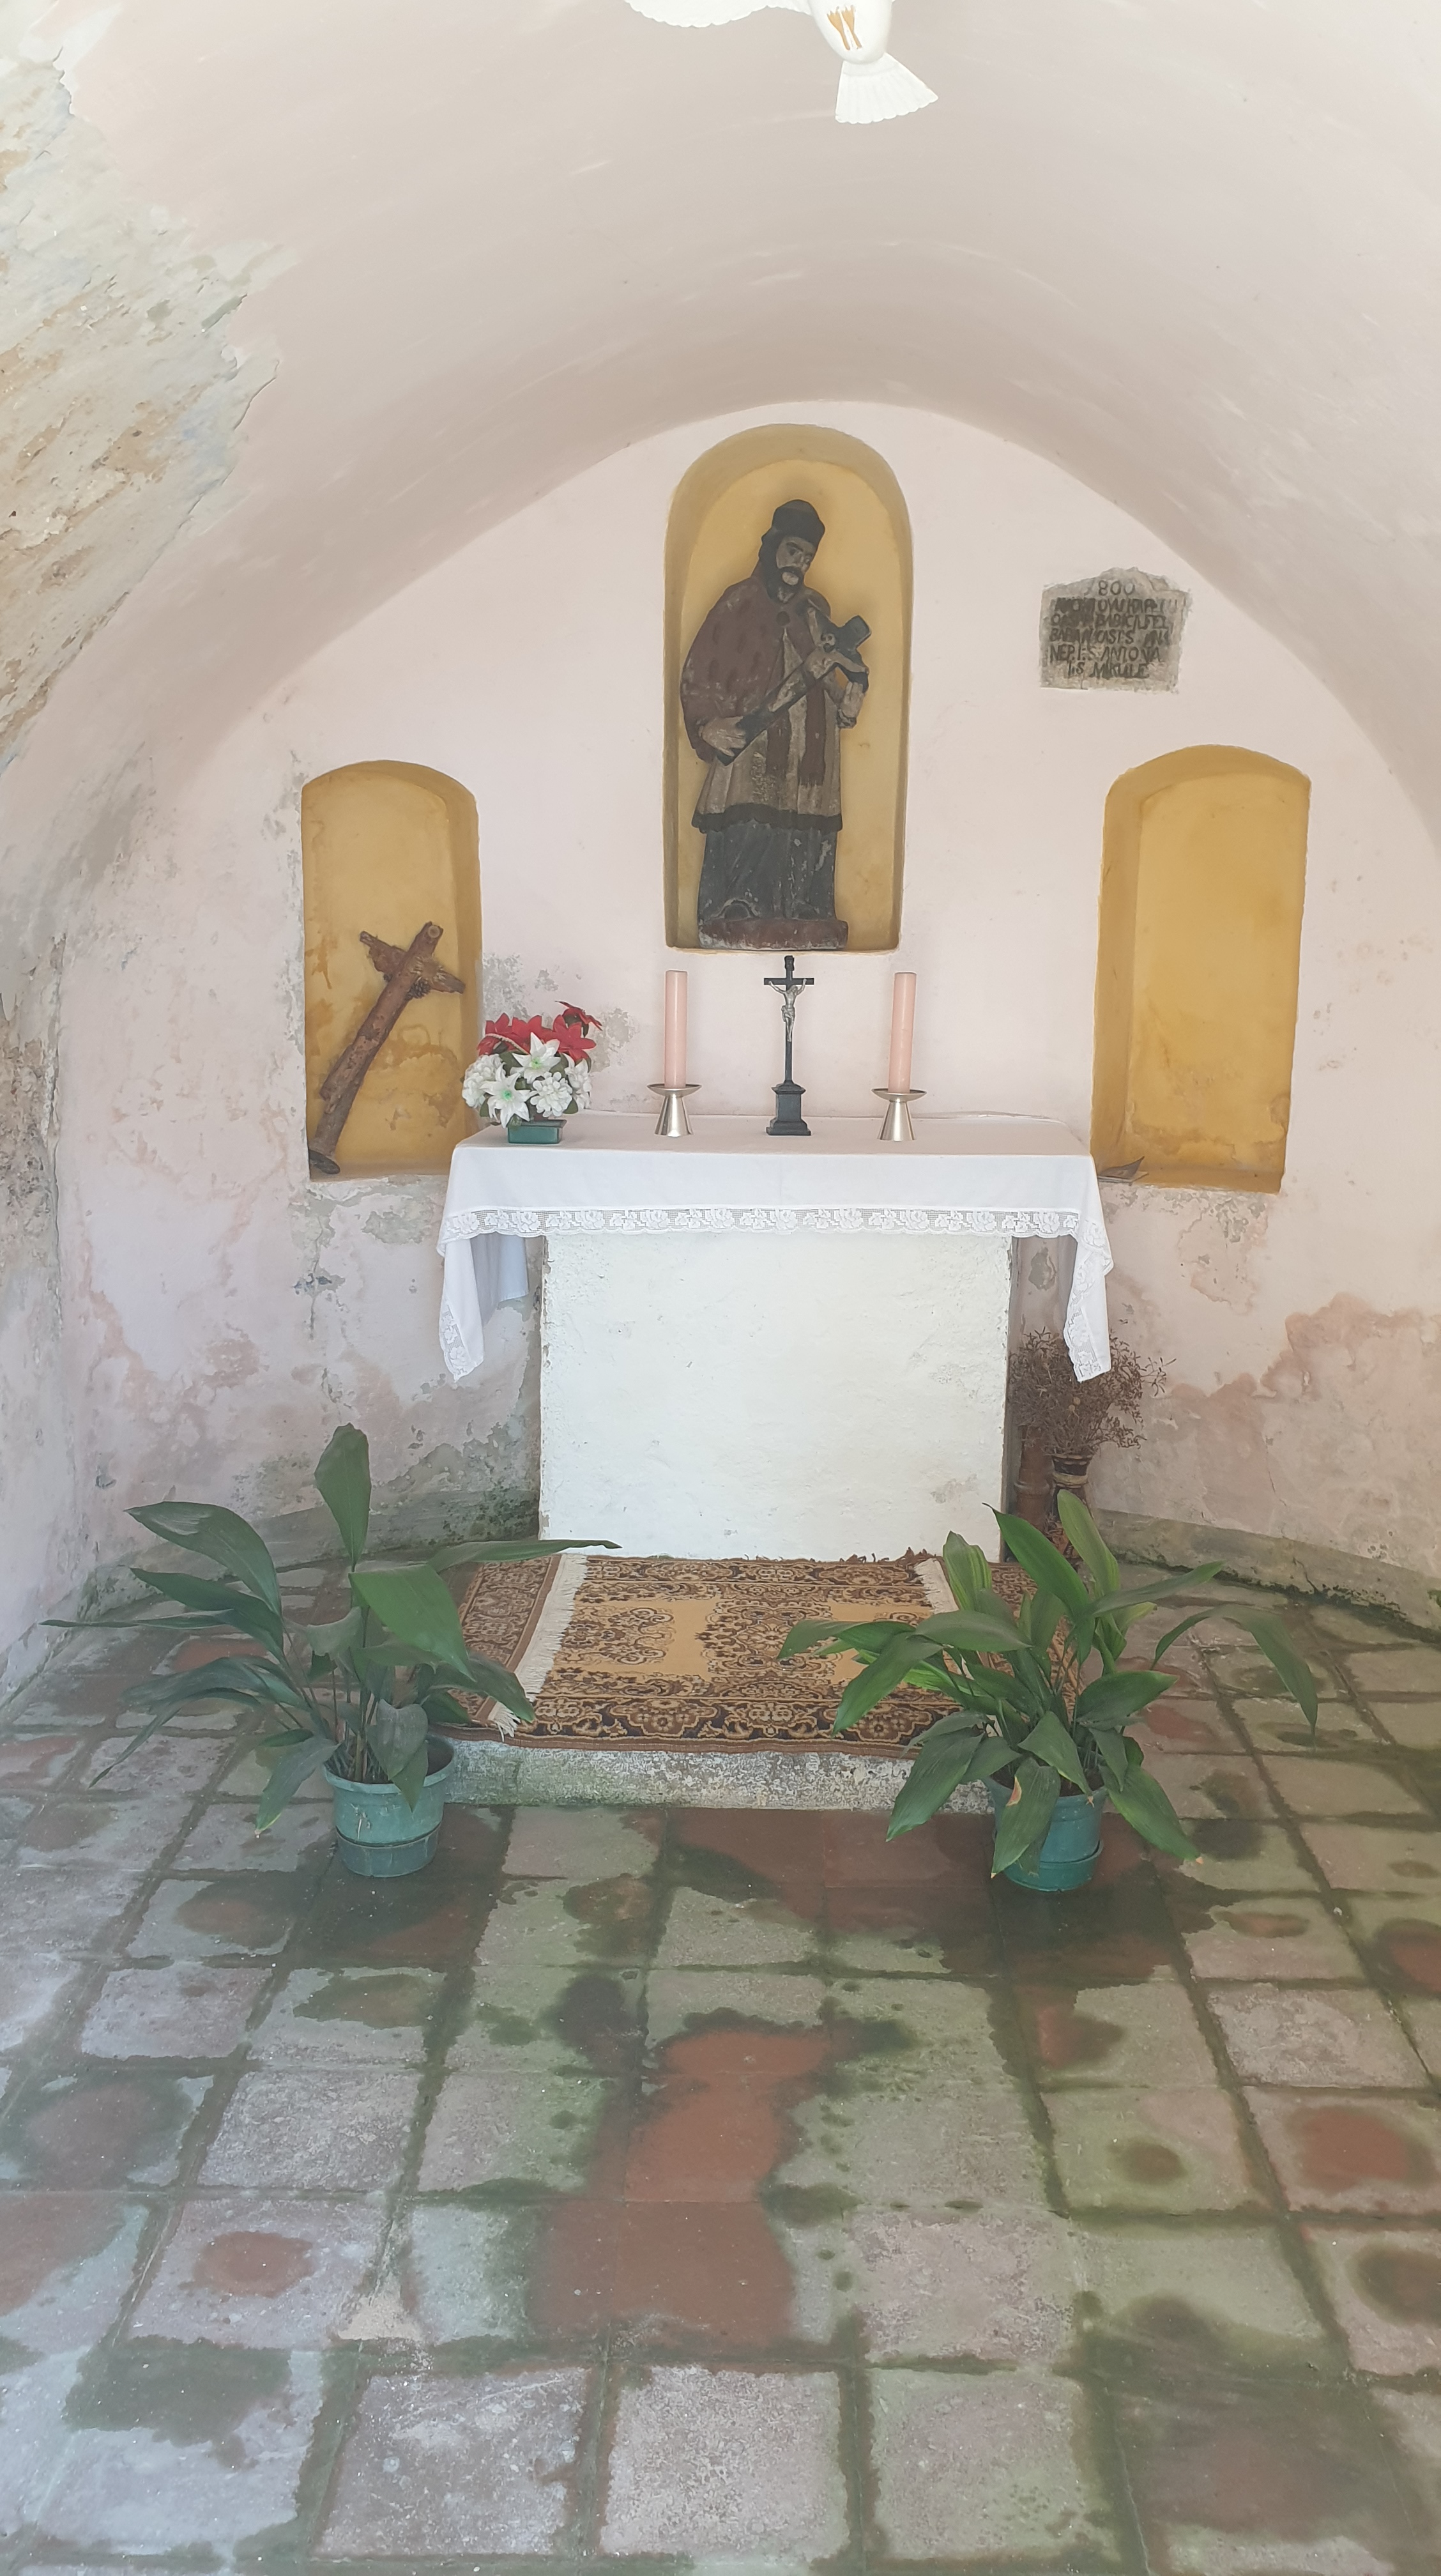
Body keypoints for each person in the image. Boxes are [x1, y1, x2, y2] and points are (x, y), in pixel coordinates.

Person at [680, 498, 868, 945]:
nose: (798, 564)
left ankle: (805, 906)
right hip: (754, 738)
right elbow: (701, 669)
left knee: (806, 817)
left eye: (807, 557)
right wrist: (706, 725)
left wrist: (851, 696)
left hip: (811, 745)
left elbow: (832, 671)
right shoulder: (738, 603)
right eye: (792, 551)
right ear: (772, 547)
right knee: (752, 814)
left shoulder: (814, 609)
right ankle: (740, 905)